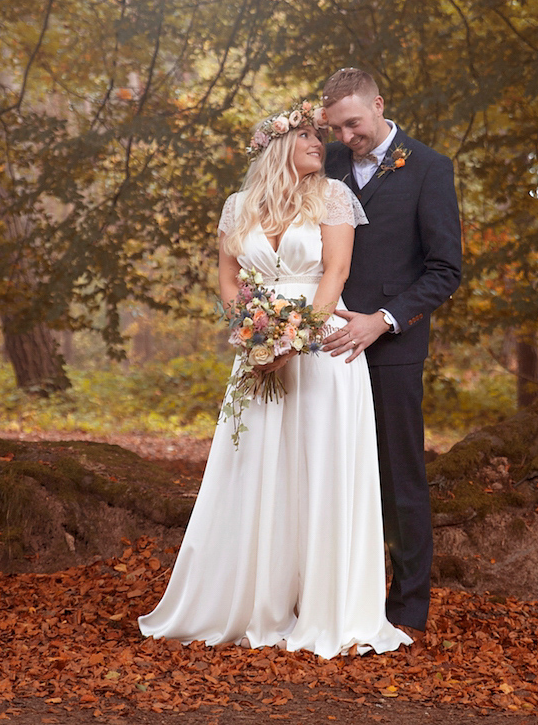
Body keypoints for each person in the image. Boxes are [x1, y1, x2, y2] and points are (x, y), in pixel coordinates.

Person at [138, 101, 411, 659]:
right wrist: (251, 332)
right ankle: (251, 600)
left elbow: (334, 273)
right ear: (277, 146)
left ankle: (326, 606)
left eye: (322, 133)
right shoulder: (237, 207)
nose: (322, 142)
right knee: (256, 467)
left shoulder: (334, 196)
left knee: (320, 467)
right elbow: (227, 275)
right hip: (257, 348)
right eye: (309, 134)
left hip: (323, 349)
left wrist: (298, 337)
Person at [320, 68, 463, 637]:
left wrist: (382, 321)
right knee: (326, 473)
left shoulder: (429, 168)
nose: (346, 137)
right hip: (321, 350)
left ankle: (407, 608)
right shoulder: (323, 162)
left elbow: (445, 270)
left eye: (353, 123)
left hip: (390, 349)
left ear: (379, 105)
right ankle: (332, 598)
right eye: (336, 127)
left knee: (399, 477)